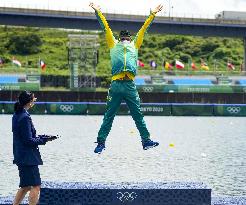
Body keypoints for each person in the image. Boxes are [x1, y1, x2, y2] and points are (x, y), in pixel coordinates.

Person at [90, 2, 163, 154]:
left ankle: (146, 141)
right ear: (121, 38)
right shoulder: (113, 43)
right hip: (117, 84)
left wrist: (153, 14)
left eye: (126, 38)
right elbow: (105, 27)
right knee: (110, 115)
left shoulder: (135, 44)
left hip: (129, 85)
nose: (124, 40)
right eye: (123, 37)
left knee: (137, 114)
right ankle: (101, 142)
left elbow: (144, 29)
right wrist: (97, 12)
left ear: (129, 38)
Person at [12, 91, 57, 205]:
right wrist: (44, 140)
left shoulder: (17, 114)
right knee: (36, 186)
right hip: (28, 158)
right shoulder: (25, 117)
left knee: (25, 186)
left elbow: (25, 137)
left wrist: (42, 137)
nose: (35, 99)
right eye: (33, 98)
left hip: (20, 155)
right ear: (29, 102)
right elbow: (28, 141)